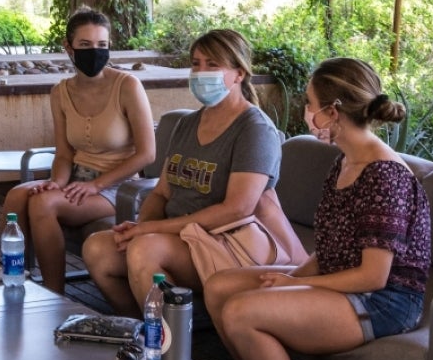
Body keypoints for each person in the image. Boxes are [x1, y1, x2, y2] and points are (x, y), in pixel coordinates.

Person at [204, 57, 431, 360]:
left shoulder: (385, 176)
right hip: (344, 282)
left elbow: (374, 275)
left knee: (242, 311)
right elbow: (332, 251)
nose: (305, 113)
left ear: (334, 110)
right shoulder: (344, 161)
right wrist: (290, 276)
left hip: (384, 301)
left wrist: (294, 288)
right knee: (222, 286)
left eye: (310, 103)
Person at [82, 28, 301, 317]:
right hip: (181, 238)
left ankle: (168, 349)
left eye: (213, 65)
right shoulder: (188, 124)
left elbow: (237, 208)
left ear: (239, 73)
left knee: (145, 250)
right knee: (98, 249)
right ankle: (141, 328)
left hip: (226, 244)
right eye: (196, 64)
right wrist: (140, 226)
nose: (201, 72)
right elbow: (162, 191)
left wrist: (150, 231)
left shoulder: (254, 129)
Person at [1, 9, 155, 293]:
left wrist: (96, 185)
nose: (94, 52)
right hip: (76, 180)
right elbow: (63, 154)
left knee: (43, 203)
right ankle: (15, 282)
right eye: (85, 45)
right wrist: (56, 182)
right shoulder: (60, 92)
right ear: (68, 47)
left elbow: (147, 154)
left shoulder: (127, 86)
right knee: (18, 195)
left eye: (102, 45)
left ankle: (53, 293)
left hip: (117, 187)